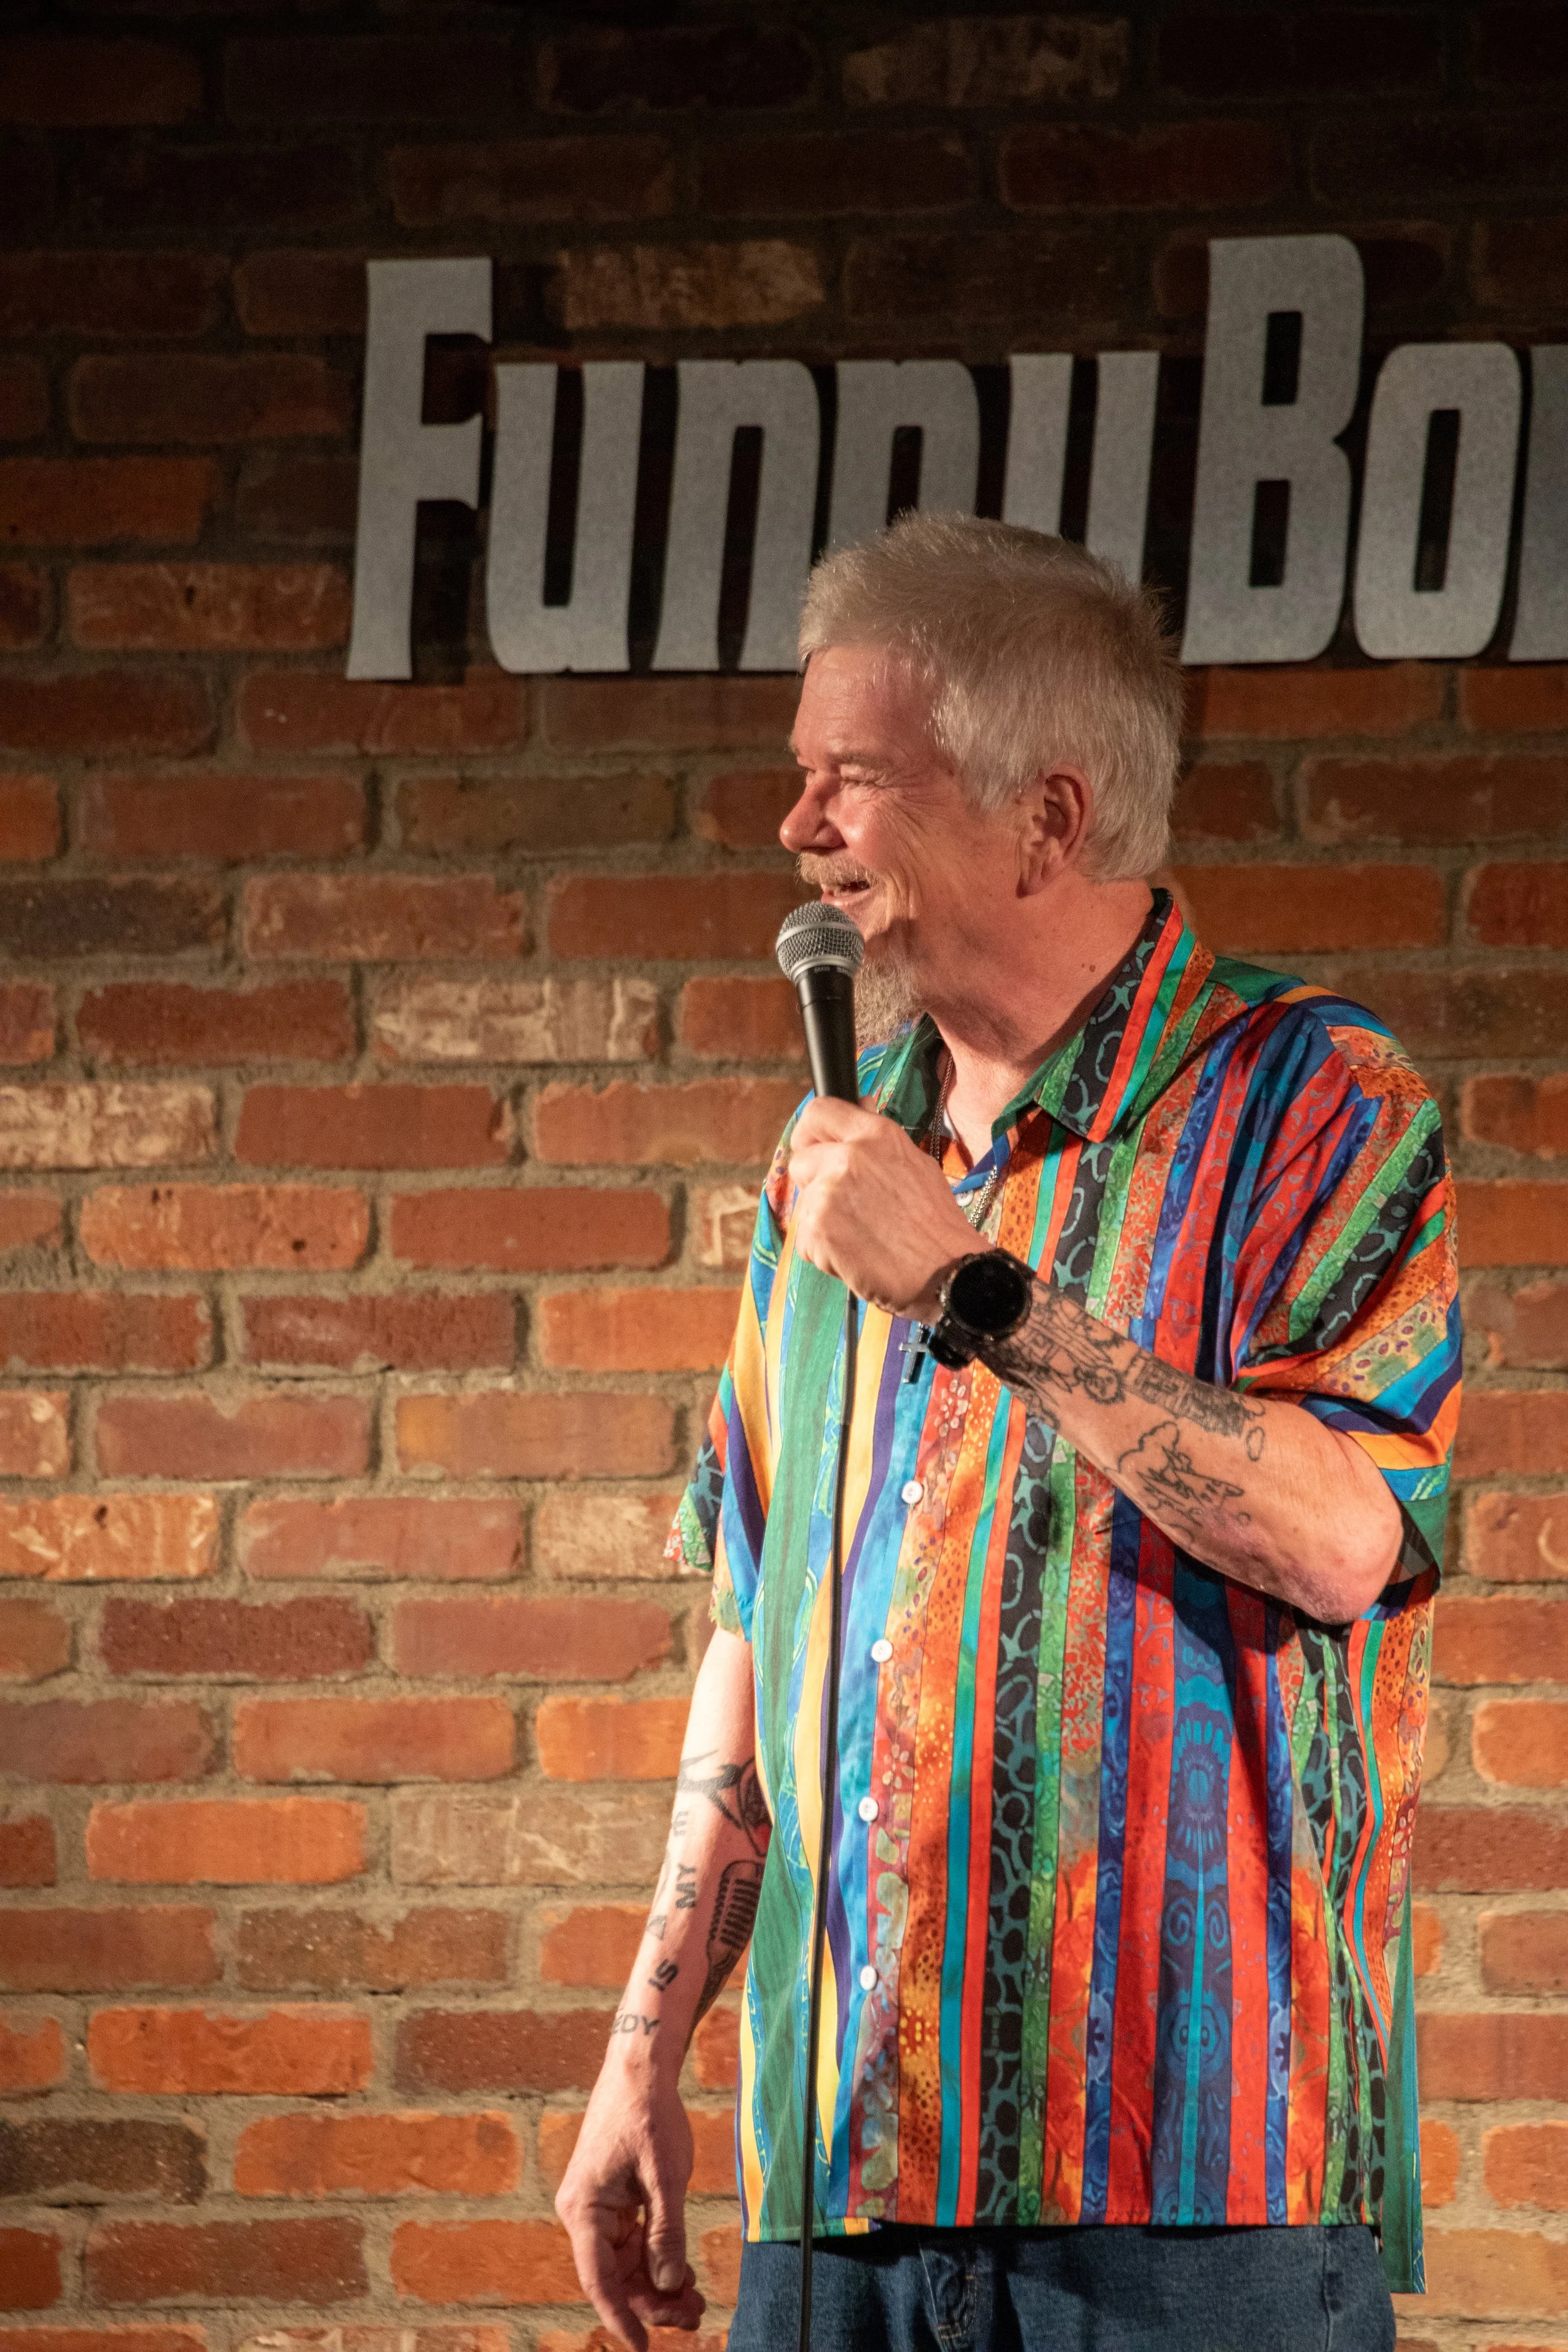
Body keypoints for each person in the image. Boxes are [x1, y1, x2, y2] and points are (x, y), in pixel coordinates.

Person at [556, 515, 1459, 2352]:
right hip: (838, 2171)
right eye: (799, 780)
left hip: (1195, 2202)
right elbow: (757, 1620)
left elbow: (1346, 1533)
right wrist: (640, 2054)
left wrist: (974, 1289)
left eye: (849, 782)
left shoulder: (1309, 1095)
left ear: (1048, 816)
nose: (796, 830)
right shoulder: (833, 1162)